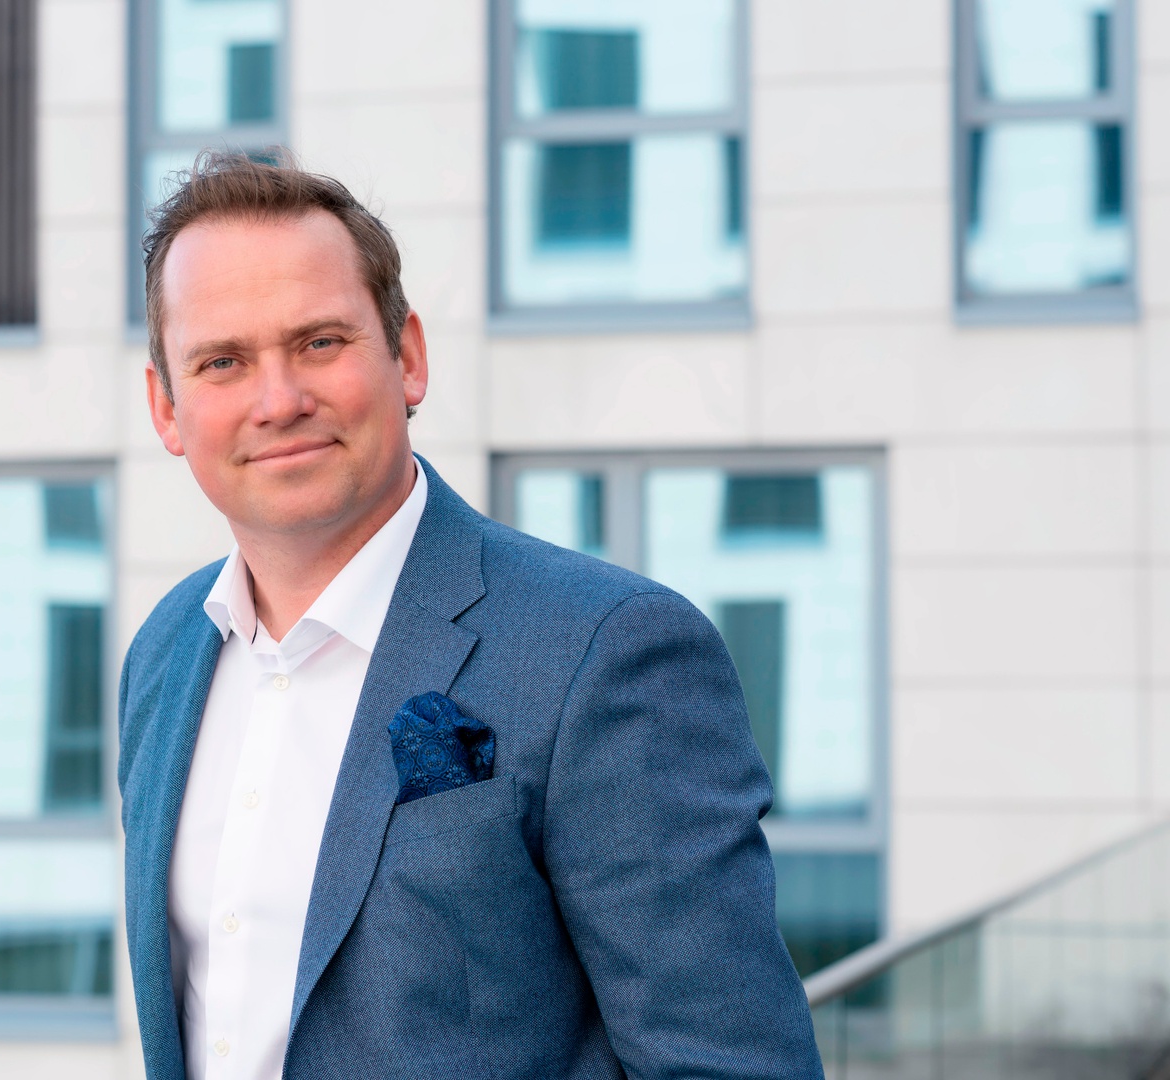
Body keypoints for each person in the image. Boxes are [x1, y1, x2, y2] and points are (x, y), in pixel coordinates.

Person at [118, 150, 823, 1080]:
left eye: (320, 343)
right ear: (167, 408)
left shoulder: (605, 651)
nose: (279, 401)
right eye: (223, 362)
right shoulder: (166, 654)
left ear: (407, 357)